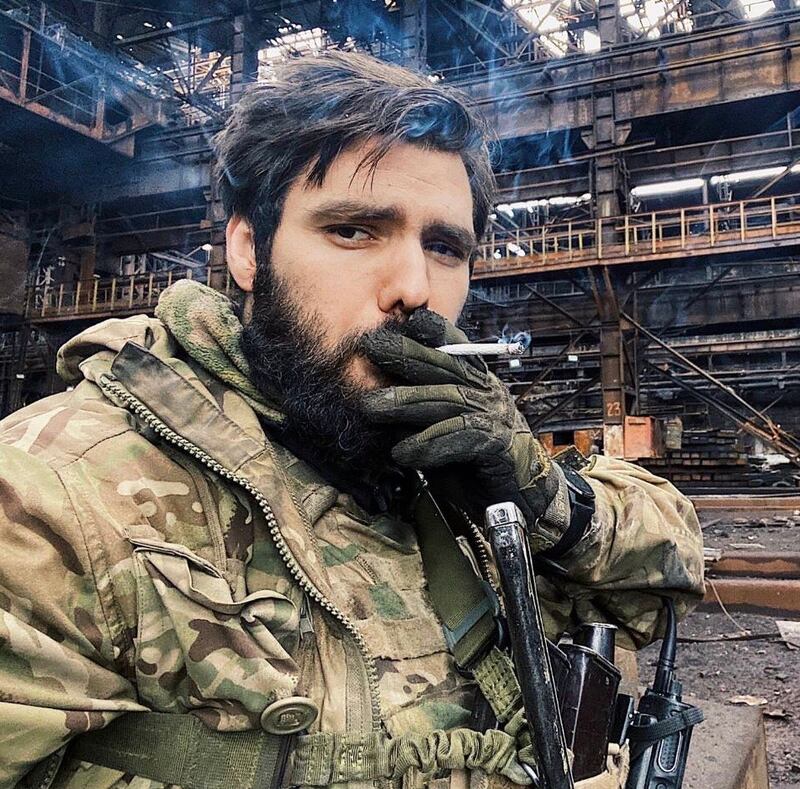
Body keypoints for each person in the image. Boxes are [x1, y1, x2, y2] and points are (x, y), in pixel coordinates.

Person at [0, 51, 704, 789]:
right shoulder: (52, 494)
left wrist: (549, 498)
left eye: (443, 247)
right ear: (247, 248)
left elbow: (674, 567)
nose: (412, 287)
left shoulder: (447, 465)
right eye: (353, 231)